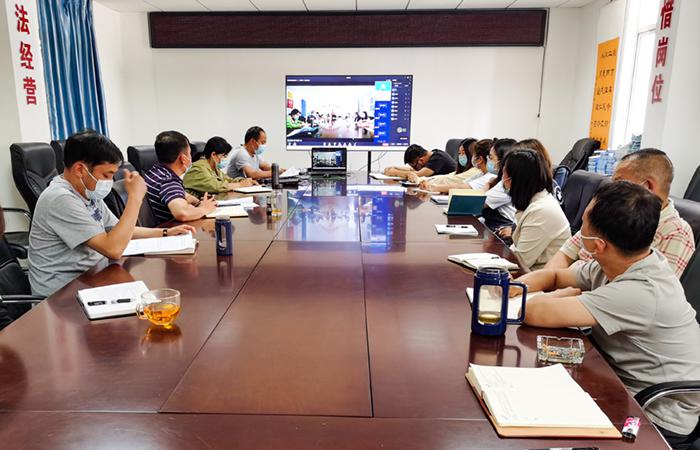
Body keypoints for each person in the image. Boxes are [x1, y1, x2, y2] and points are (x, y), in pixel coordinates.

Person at [518, 181, 700, 449]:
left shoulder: (640, 290)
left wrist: (560, 295)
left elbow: (533, 311)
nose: (580, 227)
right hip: (620, 383)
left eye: (584, 223)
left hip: (656, 415)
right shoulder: (621, 263)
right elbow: (554, 275)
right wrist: (513, 287)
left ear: (598, 245)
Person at [28, 130, 195, 298]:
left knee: (154, 297)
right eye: (106, 175)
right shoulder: (60, 198)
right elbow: (113, 249)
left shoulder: (86, 191)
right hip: (62, 295)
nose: (109, 182)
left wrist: (164, 233)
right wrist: (135, 198)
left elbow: (117, 229)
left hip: (93, 276)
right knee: (153, 302)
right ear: (80, 169)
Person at [546, 148, 695, 277]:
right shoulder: (611, 211)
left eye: (620, 182)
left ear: (648, 187)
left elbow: (653, 293)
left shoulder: (677, 232)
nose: (613, 188)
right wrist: (547, 285)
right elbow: (566, 252)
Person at [500, 148, 571, 270]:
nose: (502, 179)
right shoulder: (532, 203)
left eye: (504, 174)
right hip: (531, 270)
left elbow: (520, 262)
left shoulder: (542, 211)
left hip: (538, 275)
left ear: (516, 180)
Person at [144, 130, 217, 225]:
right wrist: (205, 209)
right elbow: (182, 213)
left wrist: (198, 203)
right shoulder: (168, 180)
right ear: (183, 158)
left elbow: (183, 194)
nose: (191, 157)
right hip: (169, 230)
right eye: (190, 153)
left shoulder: (155, 172)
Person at [183, 136, 256, 198]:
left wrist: (243, 180)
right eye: (223, 156)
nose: (224, 159)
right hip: (193, 205)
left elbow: (228, 180)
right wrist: (240, 185)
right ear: (213, 155)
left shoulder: (214, 168)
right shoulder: (198, 168)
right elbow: (215, 186)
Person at [423, 139, 495, 193]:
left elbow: (461, 187)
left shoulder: (488, 176)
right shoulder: (481, 173)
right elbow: (462, 183)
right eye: (459, 153)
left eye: (473, 154)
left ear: (479, 159)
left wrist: (432, 187)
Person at [410, 138, 481, 187]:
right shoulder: (464, 170)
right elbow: (446, 176)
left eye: (463, 153)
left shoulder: (475, 171)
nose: (460, 156)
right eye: (459, 153)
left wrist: (420, 180)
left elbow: (448, 180)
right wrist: (422, 180)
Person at [480, 138, 517, 231]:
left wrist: (487, 185)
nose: (488, 160)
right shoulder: (502, 180)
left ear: (502, 161)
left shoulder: (507, 184)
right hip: (496, 225)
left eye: (491, 158)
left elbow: (478, 203)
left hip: (502, 228)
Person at [383, 144, 456, 179]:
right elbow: (412, 170)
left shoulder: (438, 158)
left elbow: (417, 174)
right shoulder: (433, 155)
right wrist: (395, 167)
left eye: (415, 166)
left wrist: (394, 172)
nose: (414, 168)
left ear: (421, 160)